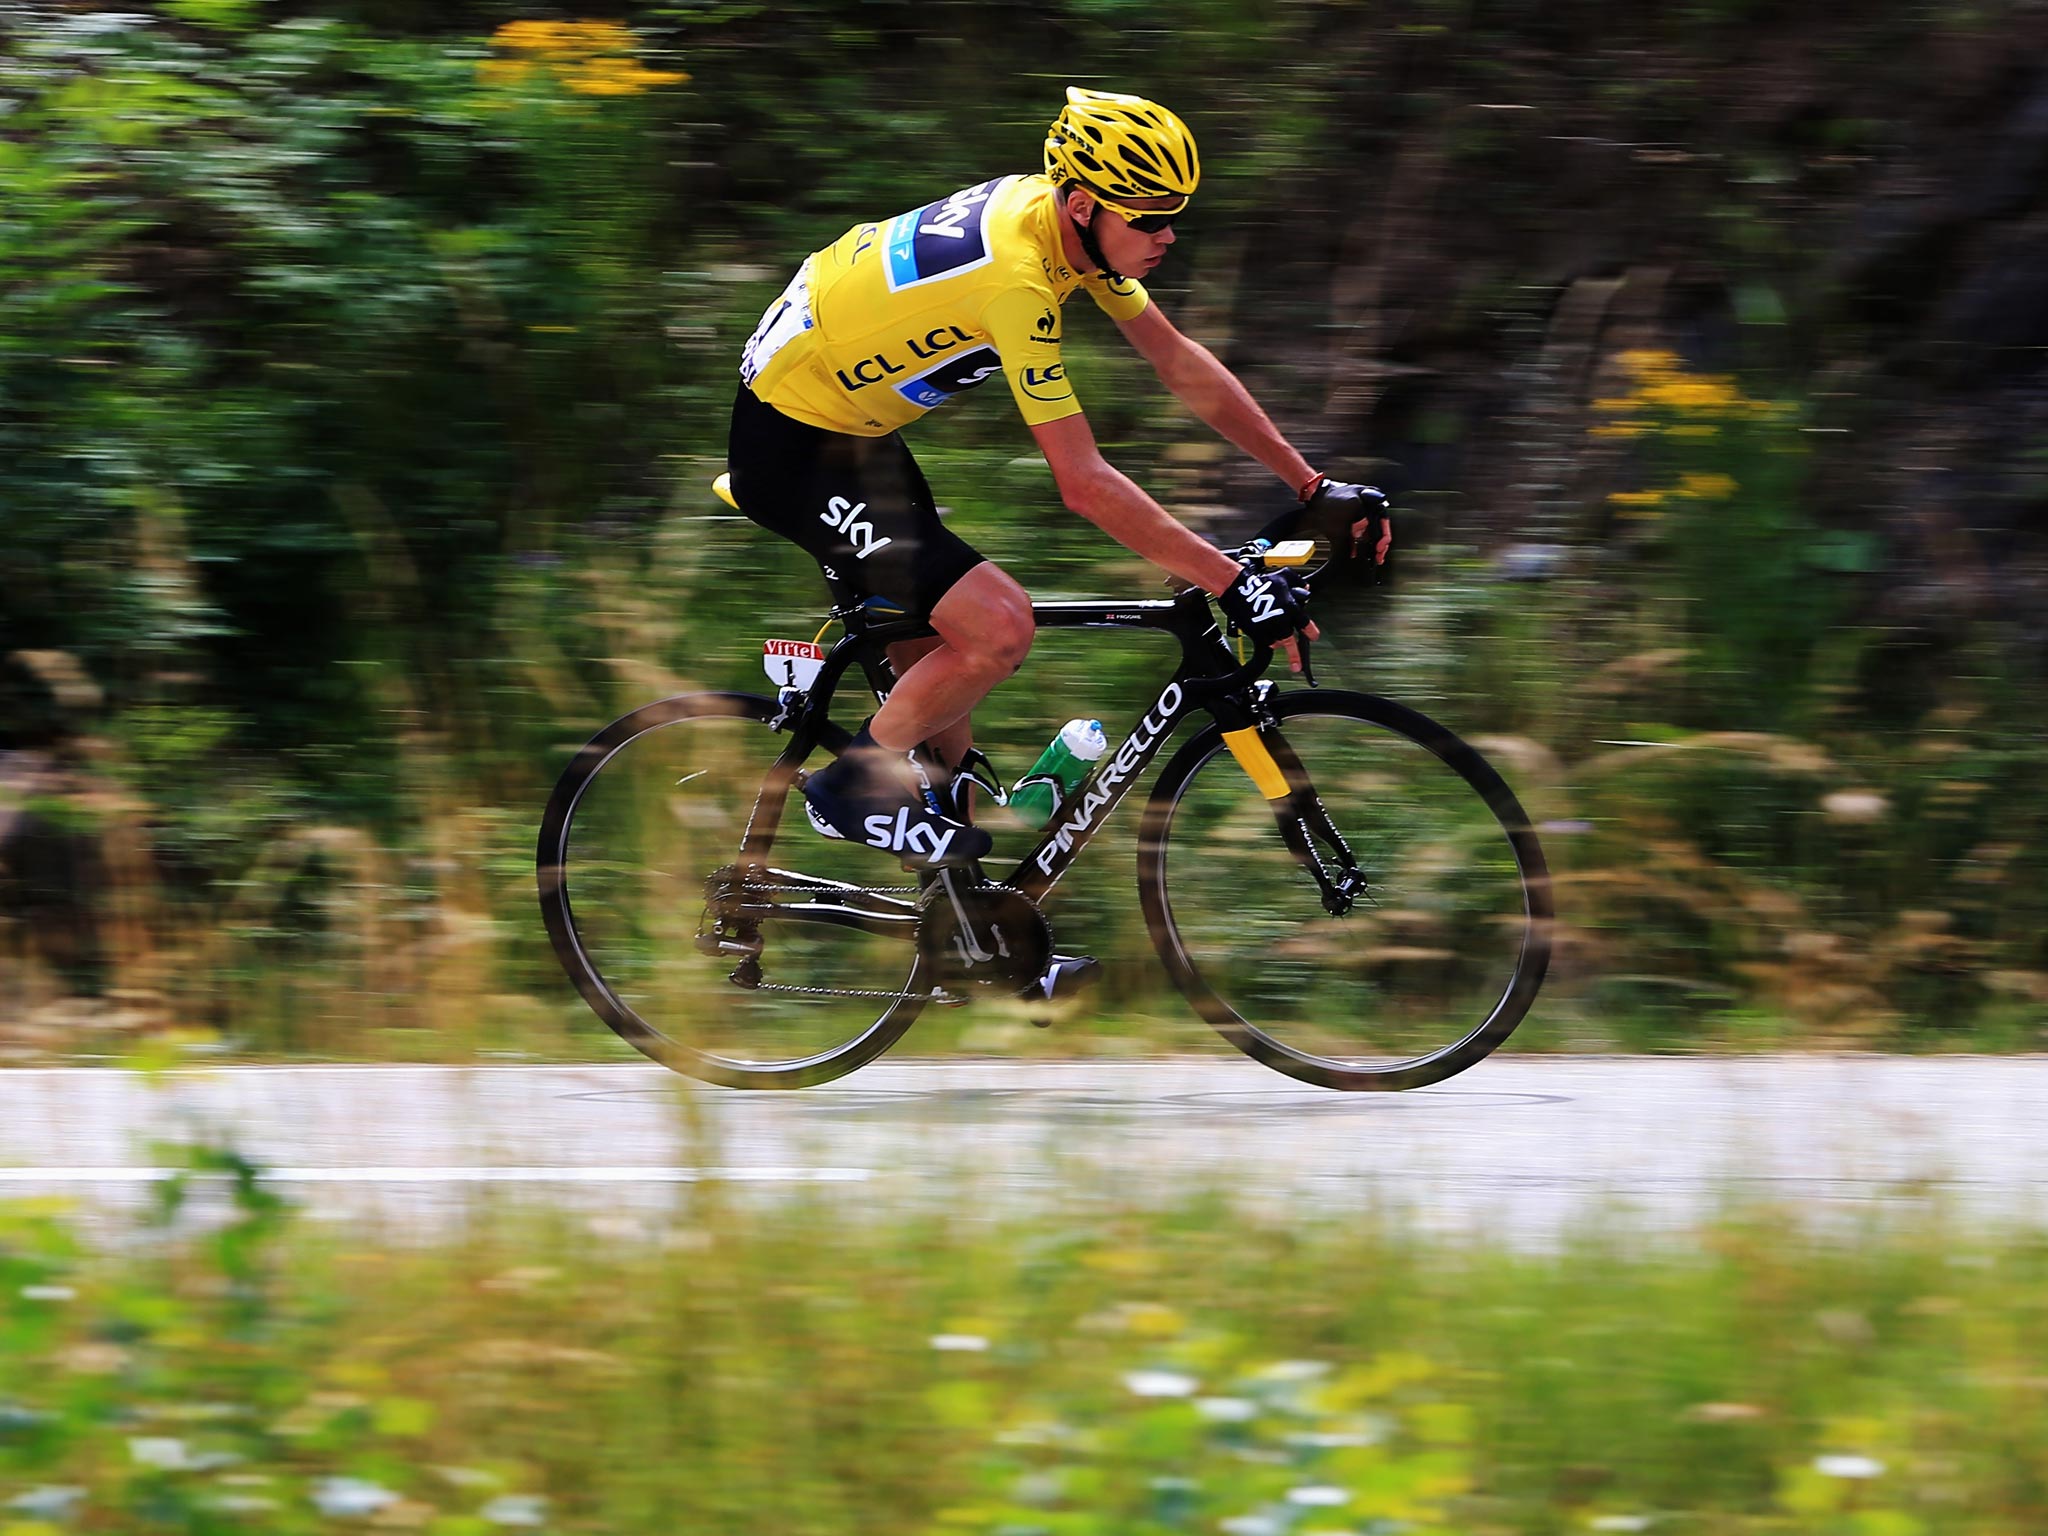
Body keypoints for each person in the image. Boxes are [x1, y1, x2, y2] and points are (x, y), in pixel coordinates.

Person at [728, 87, 1391, 877]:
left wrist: (1311, 485)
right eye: (1147, 218)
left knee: (938, 654)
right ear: (1082, 205)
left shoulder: (1063, 230)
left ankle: (976, 931)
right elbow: (1082, 482)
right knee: (999, 626)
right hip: (793, 442)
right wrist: (1230, 582)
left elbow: (1177, 362)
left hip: (852, 426)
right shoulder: (1016, 279)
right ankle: (848, 788)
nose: (1167, 235)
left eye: (1173, 213)